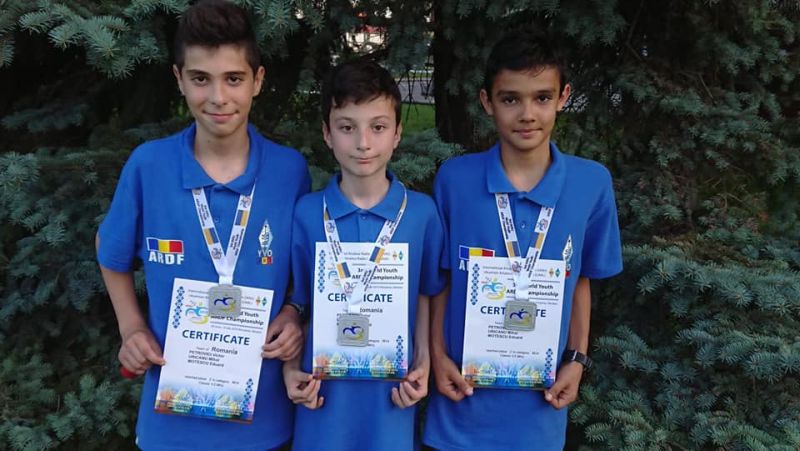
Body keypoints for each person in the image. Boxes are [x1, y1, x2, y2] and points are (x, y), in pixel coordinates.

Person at [96, 1, 310, 449]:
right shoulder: (149, 166)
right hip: (169, 426)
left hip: (264, 424)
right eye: (200, 79)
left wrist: (294, 313)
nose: (217, 97)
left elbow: (302, 268)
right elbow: (109, 248)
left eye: (233, 78)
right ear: (178, 79)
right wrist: (131, 328)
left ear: (258, 80)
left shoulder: (289, 171)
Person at [423, 30, 623, 450]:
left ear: (564, 96)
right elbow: (441, 278)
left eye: (542, 98)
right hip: (459, 406)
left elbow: (580, 279)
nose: (527, 114)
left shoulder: (591, 183)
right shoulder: (455, 179)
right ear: (487, 102)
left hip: (539, 413)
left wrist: (577, 359)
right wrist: (437, 356)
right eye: (510, 99)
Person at [282, 60, 445, 451]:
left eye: (378, 127)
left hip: (390, 399)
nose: (363, 143)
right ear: (327, 133)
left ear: (398, 133)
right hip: (322, 398)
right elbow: (297, 302)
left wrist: (424, 361)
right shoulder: (307, 213)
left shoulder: (421, 214)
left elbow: (426, 294)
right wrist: (289, 369)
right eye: (347, 127)